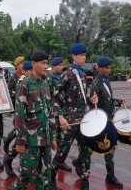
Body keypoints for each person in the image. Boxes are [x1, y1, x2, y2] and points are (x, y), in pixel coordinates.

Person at [51, 43, 98, 190]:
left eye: (85, 55)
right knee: (62, 152)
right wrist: (60, 117)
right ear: (73, 56)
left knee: (86, 151)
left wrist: (91, 99)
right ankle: (51, 176)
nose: (84, 58)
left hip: (83, 121)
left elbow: (83, 96)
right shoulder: (67, 73)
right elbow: (55, 97)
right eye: (81, 55)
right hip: (70, 121)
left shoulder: (83, 74)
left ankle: (84, 179)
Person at [8, 51, 58, 190]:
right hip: (31, 141)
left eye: (47, 63)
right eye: (42, 63)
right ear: (34, 64)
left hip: (45, 140)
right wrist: (21, 142)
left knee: (45, 175)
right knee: (26, 176)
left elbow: (50, 113)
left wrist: (53, 137)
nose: (45, 66)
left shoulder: (46, 84)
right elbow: (19, 115)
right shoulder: (25, 85)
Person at [88, 56, 125, 188]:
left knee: (110, 146)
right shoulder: (95, 83)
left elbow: (107, 100)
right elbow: (93, 104)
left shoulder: (106, 80)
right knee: (94, 145)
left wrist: (117, 102)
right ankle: (80, 161)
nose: (110, 70)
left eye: (110, 67)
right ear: (100, 68)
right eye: (107, 67)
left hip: (109, 119)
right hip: (101, 120)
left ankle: (110, 175)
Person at [4, 61, 32, 177]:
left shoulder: (38, 82)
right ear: (25, 71)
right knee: (19, 143)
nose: (32, 72)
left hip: (33, 120)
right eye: (29, 70)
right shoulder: (22, 83)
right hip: (22, 118)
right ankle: (8, 159)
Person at [47, 57, 75, 176]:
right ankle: (51, 162)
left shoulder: (63, 76)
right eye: (58, 65)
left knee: (62, 138)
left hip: (63, 111)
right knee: (54, 137)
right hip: (54, 112)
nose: (60, 67)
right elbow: (50, 97)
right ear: (53, 67)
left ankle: (60, 161)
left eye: (61, 64)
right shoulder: (50, 79)